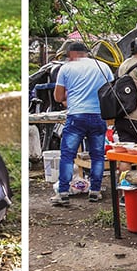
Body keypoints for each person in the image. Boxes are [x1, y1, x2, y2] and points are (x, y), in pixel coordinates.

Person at [49, 42, 114, 205]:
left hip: (76, 116)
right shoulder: (103, 67)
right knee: (97, 155)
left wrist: (70, 97)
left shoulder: (66, 68)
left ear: (72, 54)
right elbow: (111, 92)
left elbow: (58, 97)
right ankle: (95, 191)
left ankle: (63, 193)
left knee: (67, 156)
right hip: (99, 116)